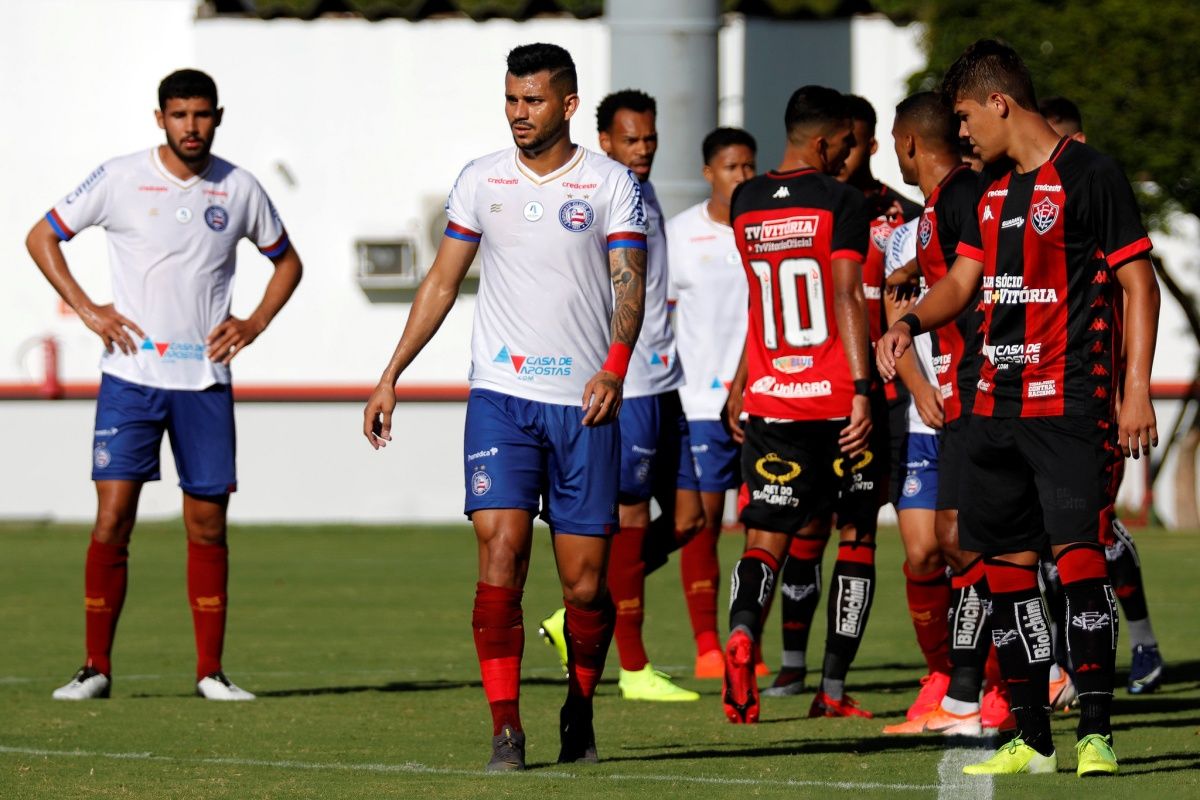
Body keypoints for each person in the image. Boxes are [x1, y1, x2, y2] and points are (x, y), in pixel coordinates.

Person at [879, 39, 1160, 777]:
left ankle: (1095, 732)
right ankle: (1030, 736)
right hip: (991, 408)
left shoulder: (1090, 174)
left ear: (999, 103)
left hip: (1070, 404)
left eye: (966, 117)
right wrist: (909, 323)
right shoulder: (990, 190)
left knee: (1079, 561)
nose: (961, 132)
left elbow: (1139, 282)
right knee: (1005, 571)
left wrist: (1135, 390)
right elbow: (961, 282)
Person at [362, 43, 647, 770]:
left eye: (534, 100)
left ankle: (579, 705)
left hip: (584, 405)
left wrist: (615, 370)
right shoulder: (480, 180)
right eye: (512, 100)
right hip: (501, 397)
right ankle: (506, 729)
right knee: (500, 553)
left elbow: (629, 282)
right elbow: (440, 281)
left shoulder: (611, 184)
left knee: (586, 583)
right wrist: (391, 374)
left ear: (568, 105)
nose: (520, 113)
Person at [27, 69, 302, 703]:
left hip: (204, 381)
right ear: (160, 119)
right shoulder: (120, 176)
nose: (191, 126)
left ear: (218, 117)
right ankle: (94, 667)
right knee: (112, 518)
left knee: (207, 525)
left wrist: (254, 322)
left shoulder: (239, 187)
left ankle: (211, 672)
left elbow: (287, 262)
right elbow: (42, 237)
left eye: (201, 115)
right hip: (131, 378)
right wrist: (89, 311)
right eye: (179, 115)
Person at [538, 89, 701, 702]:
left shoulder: (646, 193)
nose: (643, 149)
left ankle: (575, 611)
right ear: (604, 140)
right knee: (630, 517)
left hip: (666, 379)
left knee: (690, 518)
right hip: (628, 384)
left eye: (650, 138)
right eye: (631, 139)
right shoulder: (598, 194)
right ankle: (633, 669)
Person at [762, 95, 922, 711]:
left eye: (856, 143)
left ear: (869, 145)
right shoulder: (805, 210)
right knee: (806, 526)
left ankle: (834, 680)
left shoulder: (904, 216)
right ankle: (791, 664)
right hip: (814, 393)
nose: (844, 154)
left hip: (883, 397)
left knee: (861, 531)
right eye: (840, 142)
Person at [720, 85, 872, 724]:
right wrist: (862, 388)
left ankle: (743, 631)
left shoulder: (745, 201)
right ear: (824, 142)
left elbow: (762, 301)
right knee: (856, 538)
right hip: (836, 403)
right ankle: (831, 689)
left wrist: (739, 383)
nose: (848, 155)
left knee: (764, 540)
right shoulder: (843, 201)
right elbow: (846, 295)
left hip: (771, 400)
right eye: (845, 144)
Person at [878, 91, 998, 736]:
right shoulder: (931, 213)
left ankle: (1016, 681)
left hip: (982, 391)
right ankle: (965, 691)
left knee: (982, 541)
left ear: (908, 143)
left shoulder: (961, 197)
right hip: (949, 397)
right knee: (947, 541)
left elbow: (977, 281)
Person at [1038, 95, 1165, 695]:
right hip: (1040, 404)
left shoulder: (1100, 208)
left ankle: (1133, 648)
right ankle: (1062, 662)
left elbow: (1141, 293)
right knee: (1045, 537)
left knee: (1093, 530)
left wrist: (1131, 389)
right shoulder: (1027, 211)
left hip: (1098, 404)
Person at [665, 126, 758, 678]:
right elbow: (657, 317)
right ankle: (706, 646)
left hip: (762, 402)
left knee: (762, 524)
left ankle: (749, 642)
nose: (742, 177)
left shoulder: (764, 230)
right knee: (701, 521)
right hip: (698, 401)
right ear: (708, 173)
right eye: (730, 167)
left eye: (748, 166)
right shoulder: (680, 234)